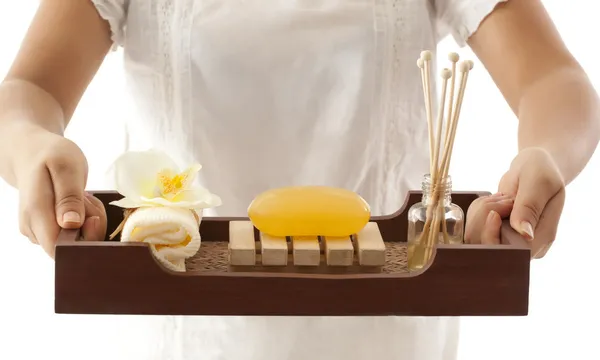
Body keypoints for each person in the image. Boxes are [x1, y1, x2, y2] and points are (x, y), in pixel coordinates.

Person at [0, 0, 598, 359]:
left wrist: (545, 153)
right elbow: (29, 91)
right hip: (189, 333)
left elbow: (554, 81)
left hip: (390, 335)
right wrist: (32, 146)